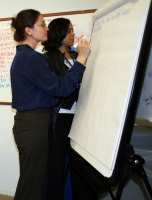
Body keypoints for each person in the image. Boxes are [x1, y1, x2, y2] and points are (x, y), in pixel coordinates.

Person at [10, 9, 91, 200]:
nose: (46, 28)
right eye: (42, 24)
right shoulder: (30, 58)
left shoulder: (28, 57)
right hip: (33, 124)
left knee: (36, 182)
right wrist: (81, 58)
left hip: (34, 122)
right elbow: (61, 88)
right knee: (32, 184)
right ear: (29, 30)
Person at [42, 18, 97, 200]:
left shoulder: (75, 56)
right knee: (56, 166)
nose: (73, 34)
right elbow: (61, 88)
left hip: (81, 118)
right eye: (69, 31)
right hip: (60, 120)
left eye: (73, 30)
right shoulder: (47, 59)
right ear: (59, 33)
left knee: (80, 166)